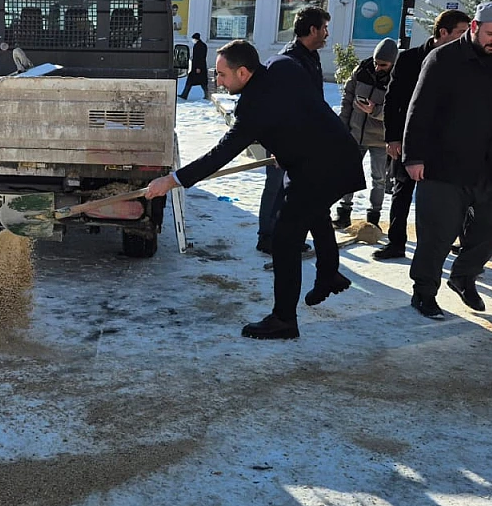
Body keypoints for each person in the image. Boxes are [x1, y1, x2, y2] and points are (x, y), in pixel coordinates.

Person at [145, 39, 363, 341]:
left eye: (222, 75)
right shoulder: (282, 64)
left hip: (321, 168)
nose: (217, 81)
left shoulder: (253, 107)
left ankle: (284, 319)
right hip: (334, 154)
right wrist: (286, 142)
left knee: (285, 240)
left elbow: (220, 155)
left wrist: (172, 181)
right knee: (310, 210)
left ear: (244, 73)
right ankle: (328, 273)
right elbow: (303, 107)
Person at [402, 1, 492, 319]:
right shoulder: (443, 59)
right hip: (443, 166)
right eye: (490, 33)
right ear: (475, 27)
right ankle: (423, 292)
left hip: (491, 165)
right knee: (437, 235)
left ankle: (464, 277)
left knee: (490, 231)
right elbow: (419, 110)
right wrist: (413, 156)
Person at [374, 9, 470, 260]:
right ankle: (396, 243)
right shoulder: (409, 60)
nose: (467, 37)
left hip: (449, 142)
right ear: (443, 33)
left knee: (452, 194)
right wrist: (392, 137)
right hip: (409, 139)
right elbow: (392, 100)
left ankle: (463, 243)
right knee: (401, 191)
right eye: (461, 32)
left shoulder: (465, 60)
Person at [257, 6, 330, 254]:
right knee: (277, 187)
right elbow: (274, 107)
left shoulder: (310, 57)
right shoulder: (288, 61)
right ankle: (267, 237)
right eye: (324, 28)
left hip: (305, 138)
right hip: (285, 139)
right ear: (313, 30)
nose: (327, 34)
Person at [335, 38, 395, 229]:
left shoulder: (398, 78)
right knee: (348, 174)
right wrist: (343, 126)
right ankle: (344, 213)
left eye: (383, 65)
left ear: (393, 62)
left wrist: (375, 111)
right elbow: (347, 98)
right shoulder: (362, 70)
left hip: (379, 139)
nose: (378, 68)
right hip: (355, 133)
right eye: (376, 63)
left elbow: (399, 111)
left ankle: (373, 218)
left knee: (379, 179)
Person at [180, 32, 208, 100]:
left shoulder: (198, 46)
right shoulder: (203, 45)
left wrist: (198, 67)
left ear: (195, 39)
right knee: (202, 82)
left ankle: (184, 95)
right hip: (200, 67)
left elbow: (199, 57)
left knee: (193, 81)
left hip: (197, 67)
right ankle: (184, 94)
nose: (193, 40)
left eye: (193, 39)